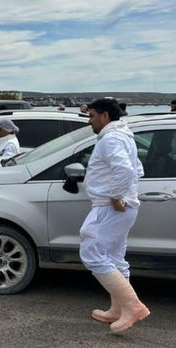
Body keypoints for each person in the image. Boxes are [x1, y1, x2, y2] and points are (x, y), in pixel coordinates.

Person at [80, 98, 149, 333]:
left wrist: (116, 195)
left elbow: (127, 170)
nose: (89, 121)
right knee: (115, 257)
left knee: (91, 251)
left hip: (111, 206)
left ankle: (132, 306)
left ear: (105, 116)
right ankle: (118, 309)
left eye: (91, 116)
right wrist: (123, 194)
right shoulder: (124, 136)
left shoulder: (111, 138)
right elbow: (138, 169)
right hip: (123, 206)